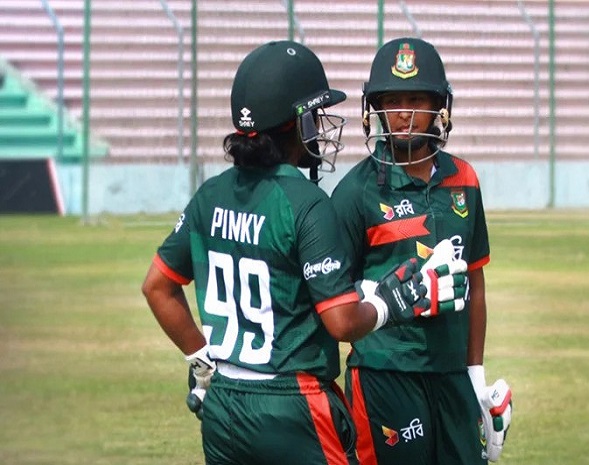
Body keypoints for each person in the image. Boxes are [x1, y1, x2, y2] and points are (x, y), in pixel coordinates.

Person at [141, 40, 469, 465]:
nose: (320, 126)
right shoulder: (305, 203)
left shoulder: (210, 195)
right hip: (293, 401)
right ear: (294, 123)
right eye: (314, 115)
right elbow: (342, 322)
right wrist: (391, 302)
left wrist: (201, 358)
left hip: (223, 403)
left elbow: (157, 287)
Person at [330, 37, 512, 465]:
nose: (405, 113)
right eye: (393, 101)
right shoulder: (354, 191)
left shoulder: (464, 178)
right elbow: (332, 295)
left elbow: (476, 283)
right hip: (384, 373)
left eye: (417, 100)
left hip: (453, 374)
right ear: (375, 109)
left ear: (439, 107)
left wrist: (475, 375)